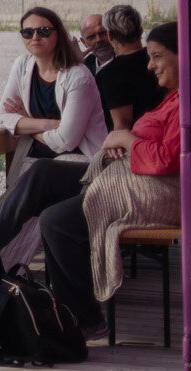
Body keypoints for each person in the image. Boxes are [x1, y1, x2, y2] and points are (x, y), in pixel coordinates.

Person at [39, 20, 180, 339]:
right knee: (43, 173)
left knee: (55, 221)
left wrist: (127, 140)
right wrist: (124, 140)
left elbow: (165, 160)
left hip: (154, 193)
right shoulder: (174, 96)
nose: (150, 65)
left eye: (157, 56)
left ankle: (82, 319)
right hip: (130, 177)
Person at [0, 6, 107, 261]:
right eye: (27, 32)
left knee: (35, 180)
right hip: (37, 158)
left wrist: (27, 124)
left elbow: (66, 141)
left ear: (58, 34)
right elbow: (3, 115)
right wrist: (47, 124)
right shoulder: (23, 65)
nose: (35, 37)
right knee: (21, 198)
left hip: (81, 163)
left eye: (43, 31)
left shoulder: (78, 77)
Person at [92, 3, 163, 133]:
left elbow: (122, 125)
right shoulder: (160, 60)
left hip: (135, 143)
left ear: (110, 36)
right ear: (141, 31)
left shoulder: (110, 74)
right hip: (165, 131)